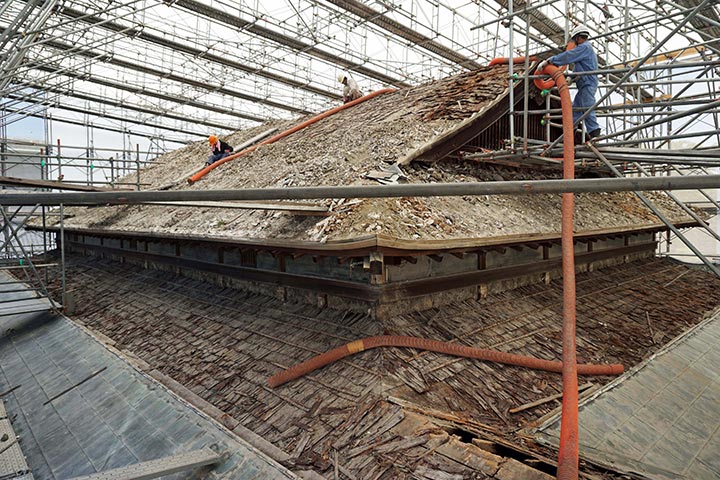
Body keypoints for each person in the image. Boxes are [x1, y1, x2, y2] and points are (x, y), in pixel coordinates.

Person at [538, 25, 601, 139]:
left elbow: (569, 55)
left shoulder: (585, 47)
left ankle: (594, 131)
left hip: (587, 84)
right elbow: (580, 68)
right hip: (584, 84)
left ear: (577, 37)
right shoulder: (585, 49)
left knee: (587, 106)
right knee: (576, 108)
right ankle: (571, 129)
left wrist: (551, 60)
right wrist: (571, 78)